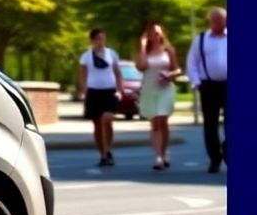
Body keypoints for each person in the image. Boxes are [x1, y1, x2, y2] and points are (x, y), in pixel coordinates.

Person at [186, 8, 228, 173]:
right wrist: (196, 82)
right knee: (210, 125)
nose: (219, 23)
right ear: (210, 21)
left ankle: (228, 151)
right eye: (215, 20)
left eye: (222, 20)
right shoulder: (201, 39)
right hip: (209, 85)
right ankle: (215, 159)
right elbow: (192, 63)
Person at [136, 22, 182, 170]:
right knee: (155, 122)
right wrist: (143, 46)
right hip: (149, 89)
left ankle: (163, 152)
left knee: (163, 120)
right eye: (152, 33)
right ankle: (158, 156)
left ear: (161, 34)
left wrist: (170, 74)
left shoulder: (168, 50)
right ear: (148, 36)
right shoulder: (145, 51)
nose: (155, 36)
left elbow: (177, 69)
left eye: (158, 33)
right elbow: (141, 66)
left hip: (165, 89)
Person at [78, 28, 125, 167]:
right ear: (92, 40)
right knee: (97, 125)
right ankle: (103, 154)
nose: (101, 42)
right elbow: (82, 75)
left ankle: (108, 149)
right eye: (98, 39)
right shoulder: (86, 57)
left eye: (103, 39)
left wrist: (120, 90)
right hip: (93, 92)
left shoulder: (112, 54)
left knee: (107, 119)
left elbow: (117, 73)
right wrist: (84, 91)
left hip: (109, 92)